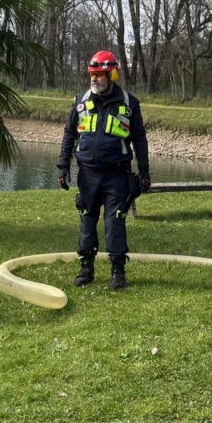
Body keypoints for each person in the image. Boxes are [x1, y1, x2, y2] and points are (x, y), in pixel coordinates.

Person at [56, 50, 151, 291]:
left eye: (99, 75)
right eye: (91, 74)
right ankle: (86, 268)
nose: (94, 79)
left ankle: (117, 271)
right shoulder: (81, 100)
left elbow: (139, 138)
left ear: (112, 75)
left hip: (117, 174)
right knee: (87, 220)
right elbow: (69, 134)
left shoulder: (130, 103)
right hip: (87, 174)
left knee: (114, 223)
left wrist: (144, 170)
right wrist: (63, 166)